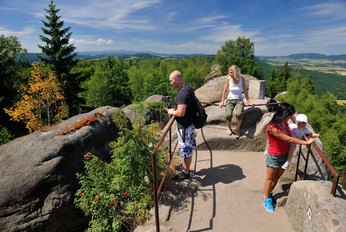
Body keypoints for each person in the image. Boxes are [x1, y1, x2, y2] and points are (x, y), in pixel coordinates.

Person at [263, 103, 315, 213]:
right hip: (274, 156)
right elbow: (289, 139)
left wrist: (310, 134)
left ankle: (270, 192)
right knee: (270, 179)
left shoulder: (284, 122)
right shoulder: (273, 128)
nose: (292, 117)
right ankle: (267, 199)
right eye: (291, 115)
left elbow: (294, 132)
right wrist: (306, 142)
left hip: (284, 154)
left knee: (277, 178)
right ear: (284, 114)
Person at [167, 70, 196, 181]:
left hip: (185, 127)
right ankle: (185, 167)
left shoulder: (182, 94)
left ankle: (186, 172)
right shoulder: (188, 88)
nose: (170, 83)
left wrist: (171, 112)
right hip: (189, 125)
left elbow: (180, 113)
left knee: (186, 149)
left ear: (177, 79)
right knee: (187, 148)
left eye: (171, 81)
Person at [219, 65, 251, 139]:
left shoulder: (241, 78)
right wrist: (222, 101)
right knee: (228, 114)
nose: (230, 74)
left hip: (239, 99)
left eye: (231, 72)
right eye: (229, 72)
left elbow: (245, 90)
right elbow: (224, 90)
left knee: (239, 113)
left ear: (236, 72)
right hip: (230, 99)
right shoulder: (228, 79)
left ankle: (237, 129)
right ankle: (229, 128)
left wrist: (248, 100)